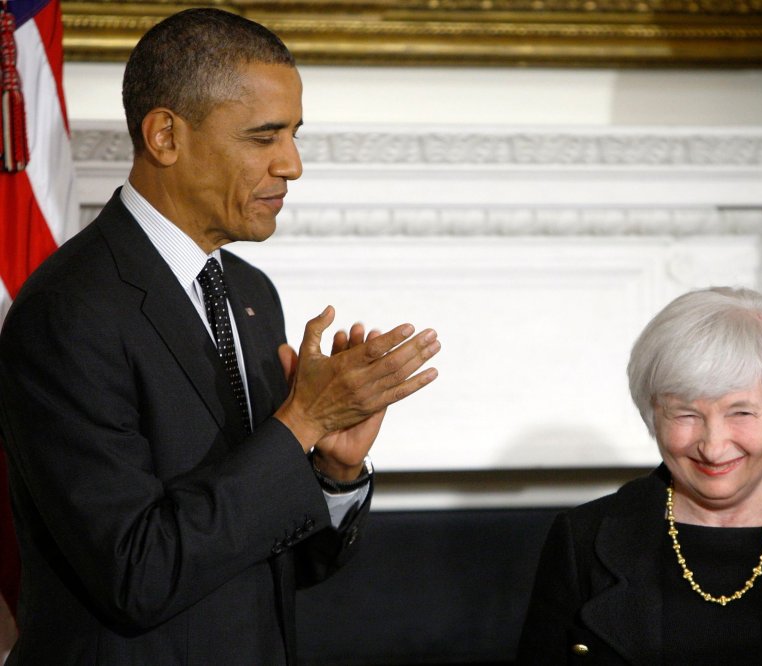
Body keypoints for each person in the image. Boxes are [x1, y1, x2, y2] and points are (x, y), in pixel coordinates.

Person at [0, 8, 441, 664]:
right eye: (264, 137)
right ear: (165, 136)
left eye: (294, 134)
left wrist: (333, 466)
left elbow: (281, 559)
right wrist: (299, 424)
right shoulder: (68, 312)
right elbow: (137, 574)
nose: (291, 164)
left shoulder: (251, 293)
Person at [517, 287, 762, 665]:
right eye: (686, 414)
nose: (713, 444)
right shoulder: (580, 541)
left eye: (740, 412)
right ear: (653, 413)